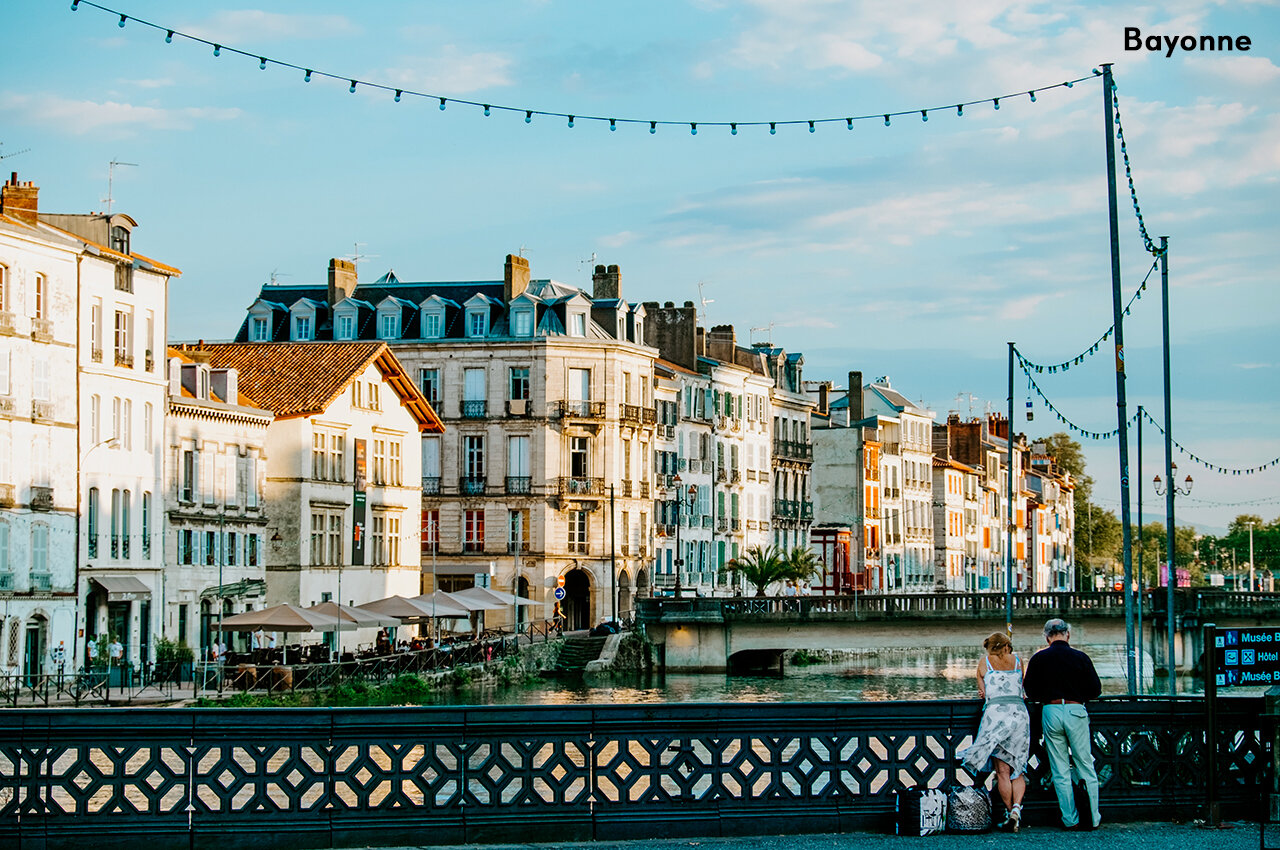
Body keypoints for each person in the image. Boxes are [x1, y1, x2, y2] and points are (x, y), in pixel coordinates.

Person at [1023, 618, 1103, 831]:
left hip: (1051, 710)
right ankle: (1092, 817)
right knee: (1085, 764)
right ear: (1068, 634)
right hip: (1076, 710)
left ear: (1047, 637)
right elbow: (1095, 690)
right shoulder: (1081, 657)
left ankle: (1070, 819)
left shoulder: (1039, 659)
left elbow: (1030, 691)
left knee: (1060, 769)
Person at [957, 632, 1029, 832]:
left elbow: (983, 693)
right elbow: (1021, 687)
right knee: (1018, 768)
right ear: (1007, 646)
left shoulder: (984, 663)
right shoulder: (1018, 662)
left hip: (996, 716)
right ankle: (1017, 810)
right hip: (1019, 715)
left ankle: (1009, 813)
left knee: (1002, 771)